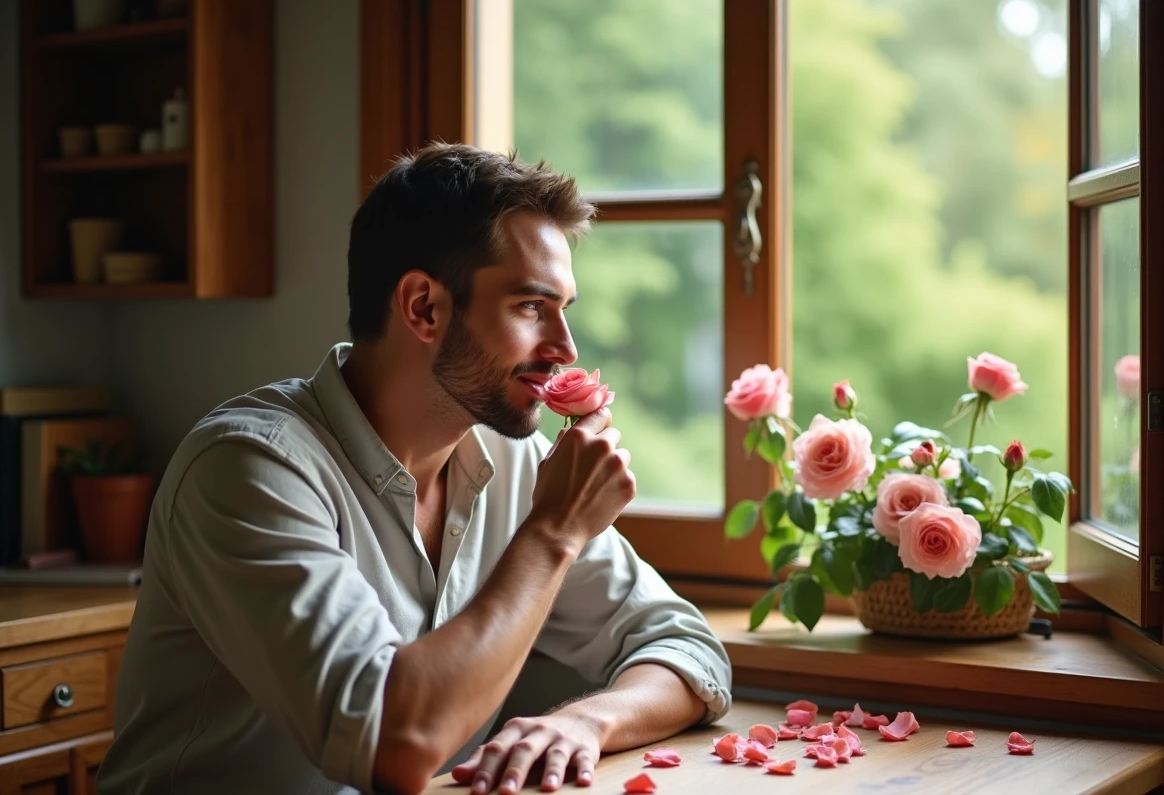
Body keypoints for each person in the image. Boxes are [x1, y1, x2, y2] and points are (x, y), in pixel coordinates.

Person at [97, 143, 732, 795]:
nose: (565, 349)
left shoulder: (511, 464)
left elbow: (687, 648)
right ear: (423, 307)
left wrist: (586, 723)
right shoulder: (247, 469)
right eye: (530, 307)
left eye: (564, 310)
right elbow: (391, 746)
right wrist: (553, 534)